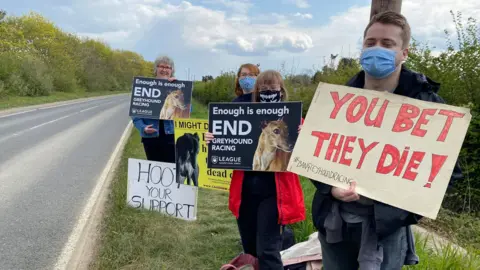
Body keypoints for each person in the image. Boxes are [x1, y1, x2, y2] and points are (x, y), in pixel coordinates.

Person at [310, 11, 464, 270]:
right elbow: (312, 155)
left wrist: (399, 213)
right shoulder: (336, 100)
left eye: (387, 43)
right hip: (334, 222)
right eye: (370, 43)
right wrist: (330, 188)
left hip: (386, 230)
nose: (376, 48)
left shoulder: (429, 108)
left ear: (404, 52)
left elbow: (447, 174)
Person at [206, 69, 306, 270]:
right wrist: (212, 140)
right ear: (257, 91)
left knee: (268, 249)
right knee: (250, 247)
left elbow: (305, 155)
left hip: (275, 195)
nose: (268, 91)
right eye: (264, 88)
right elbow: (227, 142)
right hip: (246, 192)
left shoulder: (294, 119)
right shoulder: (242, 114)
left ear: (281, 89)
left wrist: (305, 137)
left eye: (273, 87)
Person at [132, 55, 177, 163]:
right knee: (154, 172)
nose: (164, 69)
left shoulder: (178, 86)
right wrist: (143, 128)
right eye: (162, 66)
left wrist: (177, 88)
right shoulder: (145, 87)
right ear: (156, 69)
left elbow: (187, 111)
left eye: (168, 67)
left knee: (171, 170)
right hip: (150, 137)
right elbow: (136, 116)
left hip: (171, 136)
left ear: (171, 71)